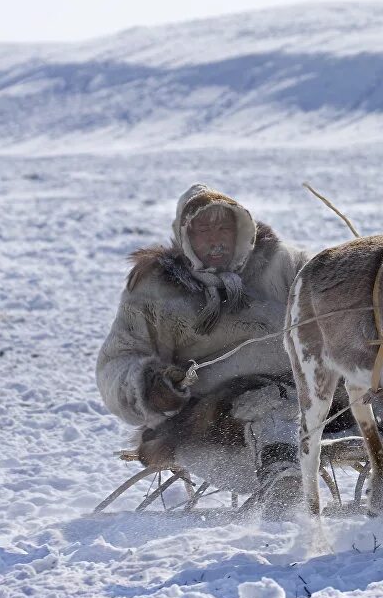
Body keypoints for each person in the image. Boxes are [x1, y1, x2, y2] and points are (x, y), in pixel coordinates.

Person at [96, 183, 335, 517]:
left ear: (242, 230)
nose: (215, 238)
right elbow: (116, 361)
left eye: (224, 227)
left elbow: (333, 293)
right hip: (210, 424)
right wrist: (149, 387)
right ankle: (283, 487)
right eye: (203, 229)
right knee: (263, 399)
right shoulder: (154, 289)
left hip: (309, 395)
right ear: (183, 235)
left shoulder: (282, 263)